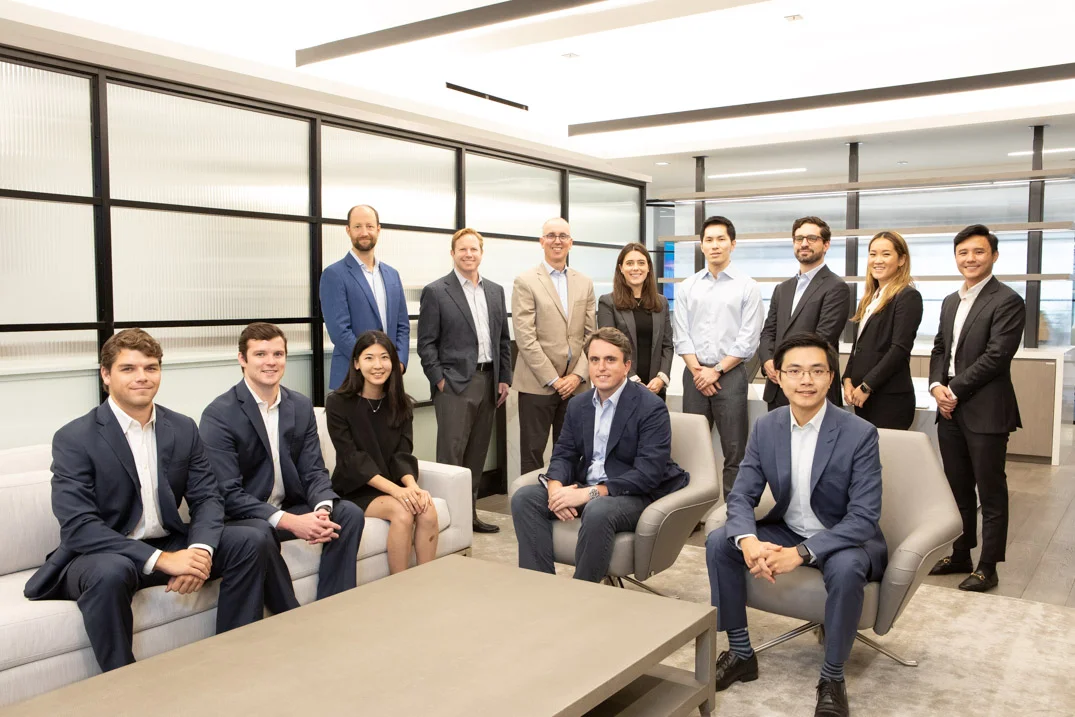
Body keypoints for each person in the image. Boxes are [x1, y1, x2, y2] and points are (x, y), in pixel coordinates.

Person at [23, 329, 296, 673]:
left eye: (151, 368)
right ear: (106, 375)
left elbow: (208, 498)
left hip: (169, 539)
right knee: (110, 571)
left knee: (252, 537)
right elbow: (79, 527)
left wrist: (198, 552)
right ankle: (123, 681)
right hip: (103, 552)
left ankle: (234, 658)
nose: (142, 377)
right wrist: (164, 560)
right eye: (128, 369)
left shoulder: (182, 427)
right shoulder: (74, 438)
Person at [705, 333, 886, 717]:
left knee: (848, 566)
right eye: (796, 371)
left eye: (817, 371)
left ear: (831, 377)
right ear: (779, 377)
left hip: (842, 538)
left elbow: (864, 517)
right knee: (722, 541)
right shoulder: (767, 427)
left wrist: (801, 554)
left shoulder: (859, 433)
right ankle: (740, 652)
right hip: (788, 528)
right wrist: (748, 539)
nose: (806, 380)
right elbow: (741, 496)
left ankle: (832, 676)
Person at [199, 322, 365, 601]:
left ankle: (335, 602)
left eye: (278, 354)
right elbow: (226, 494)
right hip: (245, 517)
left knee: (347, 513)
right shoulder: (219, 414)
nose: (271, 362)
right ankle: (291, 613)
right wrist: (290, 522)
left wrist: (322, 508)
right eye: (261, 354)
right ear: (242, 359)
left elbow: (314, 470)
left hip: (291, 503)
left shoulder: (300, 406)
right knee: (261, 533)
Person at [512, 327, 689, 582]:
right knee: (525, 498)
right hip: (589, 486)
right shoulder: (578, 405)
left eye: (610, 360)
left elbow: (647, 474)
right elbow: (564, 454)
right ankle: (542, 589)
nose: (601, 367)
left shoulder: (651, 407)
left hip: (634, 494)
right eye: (594, 360)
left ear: (626, 365)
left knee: (597, 510)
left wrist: (586, 494)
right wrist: (555, 492)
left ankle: (583, 596)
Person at [927, 224, 1025, 593]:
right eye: (963, 253)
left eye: (978, 252)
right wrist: (937, 386)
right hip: (949, 409)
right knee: (957, 488)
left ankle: (988, 566)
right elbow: (940, 348)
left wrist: (953, 389)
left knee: (991, 491)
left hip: (985, 410)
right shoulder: (952, 300)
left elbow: (997, 357)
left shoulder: (1007, 300)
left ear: (994, 256)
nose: (970, 259)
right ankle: (961, 554)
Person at [417, 228, 512, 535]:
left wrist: (504, 379)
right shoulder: (436, 291)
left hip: (489, 381)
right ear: (453, 253)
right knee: (451, 457)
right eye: (462, 250)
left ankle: (468, 516)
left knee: (476, 455)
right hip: (455, 385)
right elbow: (426, 344)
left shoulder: (495, 291)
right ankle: (446, 522)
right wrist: (439, 381)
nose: (469, 254)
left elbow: (503, 341)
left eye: (474, 249)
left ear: (481, 253)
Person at [326, 331, 437, 574]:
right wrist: (398, 492)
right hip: (355, 489)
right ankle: (400, 585)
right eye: (369, 358)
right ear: (356, 363)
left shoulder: (402, 403)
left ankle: (428, 581)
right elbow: (352, 460)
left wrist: (412, 487)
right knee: (403, 511)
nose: (378, 365)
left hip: (392, 484)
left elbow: (402, 453)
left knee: (427, 509)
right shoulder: (338, 403)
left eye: (384, 357)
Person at [672, 215, 763, 497]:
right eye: (709, 240)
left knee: (735, 449)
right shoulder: (688, 286)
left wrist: (717, 371)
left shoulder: (747, 286)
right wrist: (699, 371)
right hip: (694, 373)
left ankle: (734, 515)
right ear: (701, 246)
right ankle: (690, 514)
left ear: (732, 244)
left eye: (721, 239)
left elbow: (748, 339)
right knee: (692, 448)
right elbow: (681, 334)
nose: (715, 245)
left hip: (731, 375)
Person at [512, 217, 597, 474]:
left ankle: (567, 504)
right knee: (532, 453)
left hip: (577, 385)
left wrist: (577, 375)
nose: (557, 241)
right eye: (551, 235)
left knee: (573, 450)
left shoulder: (585, 282)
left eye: (563, 236)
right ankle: (532, 506)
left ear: (571, 243)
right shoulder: (525, 281)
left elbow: (591, 335)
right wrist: (554, 378)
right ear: (541, 242)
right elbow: (525, 337)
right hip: (538, 384)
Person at [759, 216, 850, 410]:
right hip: (778, 388)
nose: (804, 244)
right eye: (799, 239)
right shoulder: (782, 288)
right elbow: (769, 331)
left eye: (811, 238)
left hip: (812, 389)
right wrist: (768, 361)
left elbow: (822, 339)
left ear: (826, 245)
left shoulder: (836, 287)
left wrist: (787, 367)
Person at [320, 204, 410, 390]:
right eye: (357, 226)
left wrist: (399, 362)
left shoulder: (392, 274)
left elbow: (402, 325)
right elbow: (339, 331)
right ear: (348, 230)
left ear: (378, 229)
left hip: (389, 375)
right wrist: (370, 363)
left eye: (369, 226)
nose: (364, 232)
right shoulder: (334, 274)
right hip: (352, 376)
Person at [842, 231, 924, 430]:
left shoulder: (907, 296)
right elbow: (858, 347)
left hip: (889, 400)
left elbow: (899, 349)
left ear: (902, 259)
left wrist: (866, 386)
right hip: (863, 398)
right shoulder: (870, 298)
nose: (877, 260)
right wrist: (847, 379)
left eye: (886, 254)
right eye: (872, 254)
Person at [597, 241, 673, 399]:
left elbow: (667, 345)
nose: (635, 268)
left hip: (655, 389)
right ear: (621, 268)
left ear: (648, 267)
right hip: (621, 386)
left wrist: (662, 377)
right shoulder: (608, 302)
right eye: (629, 263)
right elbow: (609, 346)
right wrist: (631, 378)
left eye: (641, 263)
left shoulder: (661, 302)